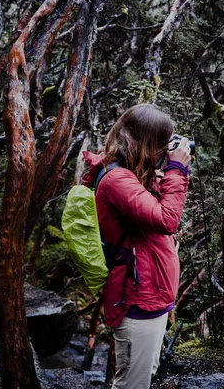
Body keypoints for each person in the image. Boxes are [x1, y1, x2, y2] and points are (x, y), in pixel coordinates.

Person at [82, 104, 191, 388]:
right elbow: (167, 219)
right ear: (145, 143)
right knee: (132, 384)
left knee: (140, 378)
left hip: (149, 297)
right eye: (162, 145)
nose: (166, 151)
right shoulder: (118, 180)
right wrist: (177, 168)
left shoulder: (130, 175)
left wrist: (165, 171)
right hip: (136, 299)